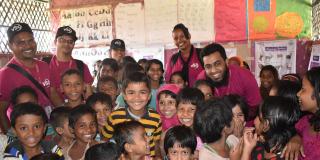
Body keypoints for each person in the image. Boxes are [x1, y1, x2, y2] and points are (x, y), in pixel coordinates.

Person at [0, 22, 54, 133]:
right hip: (26, 132)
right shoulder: (5, 74)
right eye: (21, 42)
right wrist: (11, 138)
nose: (28, 46)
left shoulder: (44, 66)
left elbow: (51, 94)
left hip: (48, 126)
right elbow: (1, 111)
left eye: (30, 40)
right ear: (11, 46)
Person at [197, 43, 261, 125]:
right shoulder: (201, 80)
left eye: (217, 64)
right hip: (215, 126)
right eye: (208, 66)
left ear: (226, 62)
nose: (213, 70)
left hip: (244, 124)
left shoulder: (245, 76)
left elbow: (254, 108)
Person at [103, 72, 162, 158]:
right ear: (124, 96)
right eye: (131, 93)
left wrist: (158, 157)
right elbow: (105, 139)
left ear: (149, 95)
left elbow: (156, 143)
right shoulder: (114, 117)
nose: (137, 97)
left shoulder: (156, 118)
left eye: (142, 92)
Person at [49, 26, 93, 106]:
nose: (66, 43)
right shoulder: (46, 65)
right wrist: (64, 112)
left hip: (78, 112)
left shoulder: (81, 66)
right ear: (55, 42)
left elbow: (88, 93)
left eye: (70, 41)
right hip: (54, 114)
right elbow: (52, 92)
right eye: (62, 40)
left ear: (73, 44)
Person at [295, 67, 320, 160]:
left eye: (303, 89)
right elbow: (298, 131)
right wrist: (296, 139)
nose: (298, 94)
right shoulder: (307, 120)